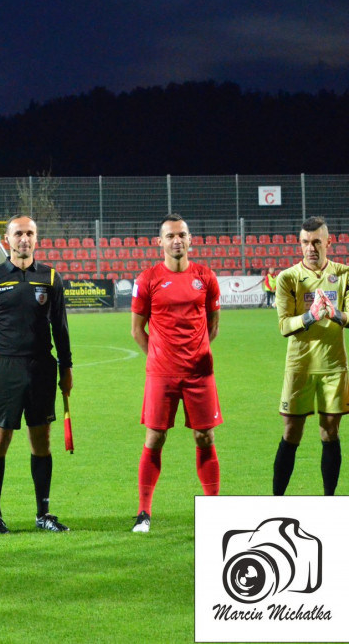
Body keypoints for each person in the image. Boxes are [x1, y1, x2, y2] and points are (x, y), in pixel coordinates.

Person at [0, 215, 73, 535]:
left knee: (41, 441)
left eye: (30, 233)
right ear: (7, 239)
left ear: (36, 239)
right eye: (18, 233)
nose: (24, 239)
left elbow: (61, 328)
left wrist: (66, 368)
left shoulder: (51, 278)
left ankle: (43, 513)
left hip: (42, 367)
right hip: (4, 367)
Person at [131, 213, 222, 533]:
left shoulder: (206, 277)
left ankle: (212, 511)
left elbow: (212, 324)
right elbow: (137, 330)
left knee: (205, 436)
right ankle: (143, 512)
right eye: (170, 236)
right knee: (155, 437)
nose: (176, 241)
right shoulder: (147, 279)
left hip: (200, 373)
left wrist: (196, 353)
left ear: (191, 239)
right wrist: (161, 358)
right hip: (161, 374)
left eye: (181, 234)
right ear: (160, 242)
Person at [272, 216, 349, 496]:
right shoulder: (287, 278)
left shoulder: (344, 275)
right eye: (305, 242)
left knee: (330, 432)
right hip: (299, 367)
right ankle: (276, 502)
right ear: (300, 244)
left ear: (329, 242)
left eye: (317, 241)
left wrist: (334, 313)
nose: (311, 247)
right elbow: (283, 326)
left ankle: (329, 502)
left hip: (333, 367)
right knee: (291, 433)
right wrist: (310, 316)